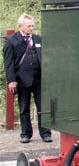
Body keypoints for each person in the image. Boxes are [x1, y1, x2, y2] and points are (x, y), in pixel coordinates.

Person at [3, 13, 52, 143]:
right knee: (24, 108)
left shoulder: (37, 39)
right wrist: (11, 80)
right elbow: (8, 63)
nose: (31, 28)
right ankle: (25, 133)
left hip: (38, 79)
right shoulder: (11, 40)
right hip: (22, 80)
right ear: (21, 27)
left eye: (32, 26)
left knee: (42, 107)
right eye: (29, 26)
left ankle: (45, 133)